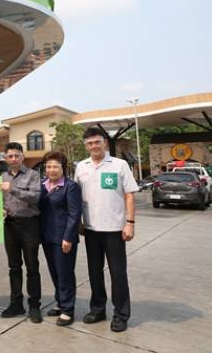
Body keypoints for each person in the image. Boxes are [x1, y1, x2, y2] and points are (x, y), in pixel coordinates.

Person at [75, 127, 139, 333]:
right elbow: (76, 197)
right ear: (86, 146)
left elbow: (129, 195)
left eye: (97, 142)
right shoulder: (81, 167)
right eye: (90, 143)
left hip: (115, 229)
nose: (94, 146)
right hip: (90, 229)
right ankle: (98, 309)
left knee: (118, 274)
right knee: (94, 273)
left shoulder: (120, 165)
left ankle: (121, 314)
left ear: (104, 142)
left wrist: (130, 222)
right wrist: (78, 222)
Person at [0, 142, 43, 323]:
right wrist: (1, 209)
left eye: (16, 155)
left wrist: (13, 189)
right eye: (10, 156)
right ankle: (16, 303)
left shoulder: (33, 175)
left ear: (22, 156)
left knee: (32, 266)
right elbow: (1, 199)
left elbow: (35, 197)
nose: (13, 159)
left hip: (29, 225)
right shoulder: (2, 176)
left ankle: (34, 306)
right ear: (5, 158)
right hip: (10, 225)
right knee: (14, 266)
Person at [39, 150, 82, 327]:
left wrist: (69, 237)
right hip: (47, 236)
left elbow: (74, 213)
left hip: (63, 238)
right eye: (48, 166)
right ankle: (60, 302)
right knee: (55, 272)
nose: (51, 170)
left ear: (63, 167)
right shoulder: (42, 185)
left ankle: (67, 309)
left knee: (65, 274)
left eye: (55, 166)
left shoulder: (70, 186)